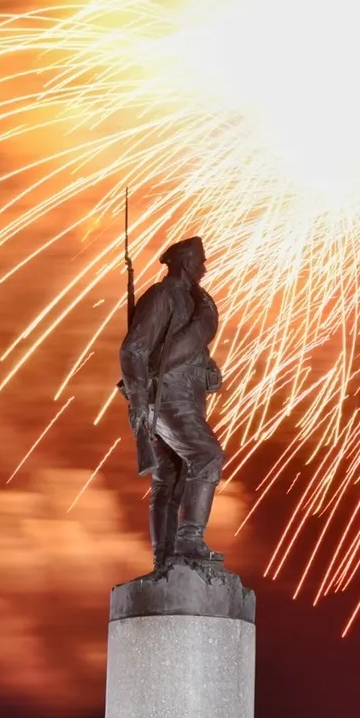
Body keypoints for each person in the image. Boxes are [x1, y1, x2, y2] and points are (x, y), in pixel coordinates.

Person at [119, 236, 226, 567]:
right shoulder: (163, 295)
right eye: (201, 262)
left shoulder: (191, 303)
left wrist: (209, 373)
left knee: (172, 475)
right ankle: (189, 539)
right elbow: (133, 349)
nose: (205, 269)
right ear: (187, 263)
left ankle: (166, 557)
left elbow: (190, 350)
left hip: (186, 395)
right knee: (206, 455)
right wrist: (138, 400)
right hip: (166, 395)